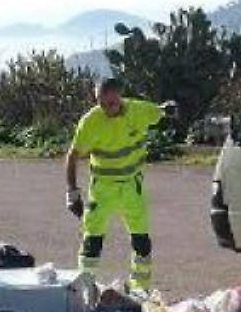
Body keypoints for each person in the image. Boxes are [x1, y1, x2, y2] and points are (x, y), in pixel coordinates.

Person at [65, 78, 175, 291]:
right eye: (101, 104)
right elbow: (73, 155)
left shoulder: (138, 111)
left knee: (141, 239)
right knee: (92, 239)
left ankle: (140, 289)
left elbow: (159, 111)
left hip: (132, 188)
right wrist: (72, 192)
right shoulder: (90, 121)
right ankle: (85, 288)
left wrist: (167, 110)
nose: (106, 109)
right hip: (103, 189)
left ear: (121, 98)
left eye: (111, 104)